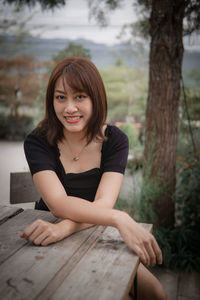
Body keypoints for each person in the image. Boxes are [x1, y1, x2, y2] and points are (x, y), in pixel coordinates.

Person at [21, 57, 168, 300]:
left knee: (156, 294)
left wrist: (64, 229)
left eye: (79, 96)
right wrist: (120, 218)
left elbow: (103, 204)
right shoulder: (38, 140)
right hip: (48, 236)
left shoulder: (115, 140)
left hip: (91, 231)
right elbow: (58, 203)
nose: (69, 108)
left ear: (95, 98)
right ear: (52, 100)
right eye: (61, 97)